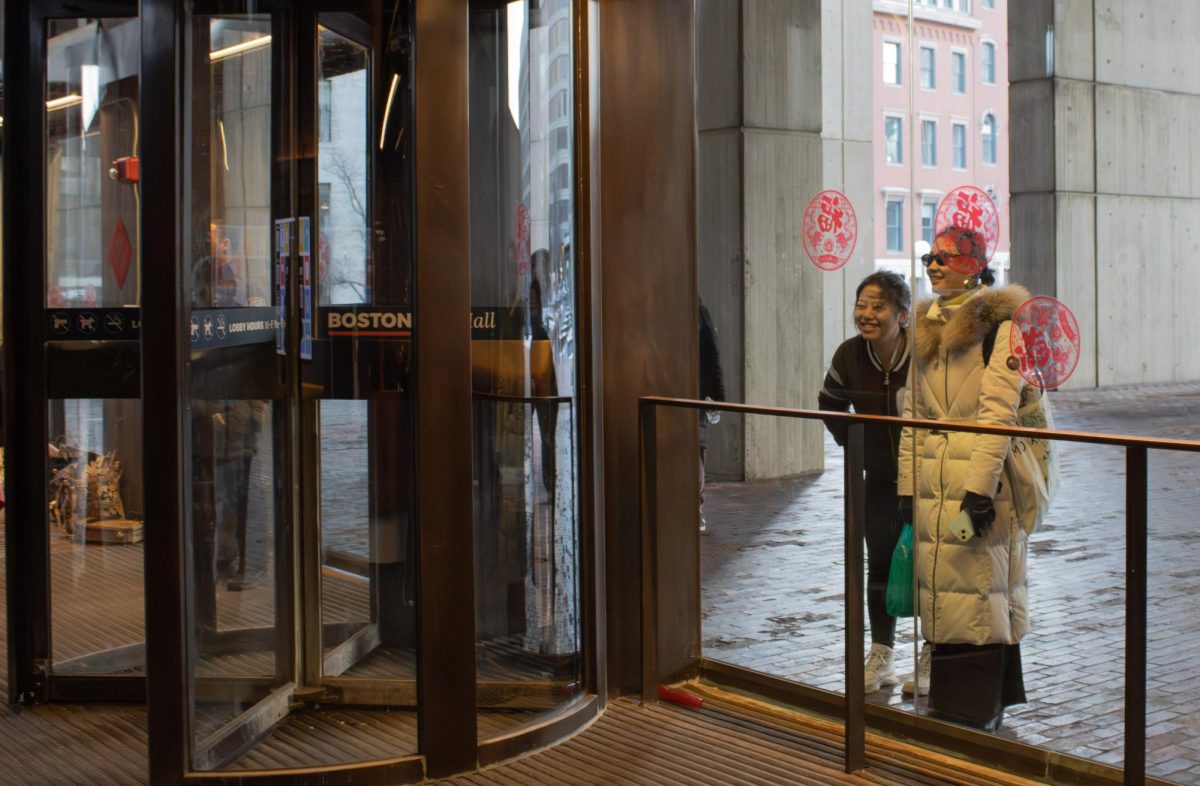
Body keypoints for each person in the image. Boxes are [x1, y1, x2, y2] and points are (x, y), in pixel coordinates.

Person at [896, 225, 1032, 731]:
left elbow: (999, 412)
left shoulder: (1003, 325)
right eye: (930, 256)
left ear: (974, 265)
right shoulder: (927, 323)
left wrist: (979, 488)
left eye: (946, 258)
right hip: (934, 479)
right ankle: (959, 706)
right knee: (944, 592)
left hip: (982, 475)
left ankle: (975, 708)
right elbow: (911, 411)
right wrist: (907, 487)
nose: (933, 265)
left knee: (981, 590)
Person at [818, 271, 912, 693]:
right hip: (878, 480)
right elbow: (830, 403)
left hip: (928, 479)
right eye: (862, 305)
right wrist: (855, 448)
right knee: (879, 564)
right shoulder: (850, 355)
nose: (867, 314)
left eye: (878, 306)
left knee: (928, 567)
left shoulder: (924, 356)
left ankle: (931, 654)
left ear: (903, 314)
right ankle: (883, 655)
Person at [698, 299, 726, 532]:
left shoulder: (697, 309)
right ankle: (695, 509)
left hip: (692, 395)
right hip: (692, 395)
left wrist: (715, 395)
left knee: (695, 448)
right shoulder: (698, 308)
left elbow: (709, 353)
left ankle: (695, 508)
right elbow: (711, 353)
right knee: (695, 450)